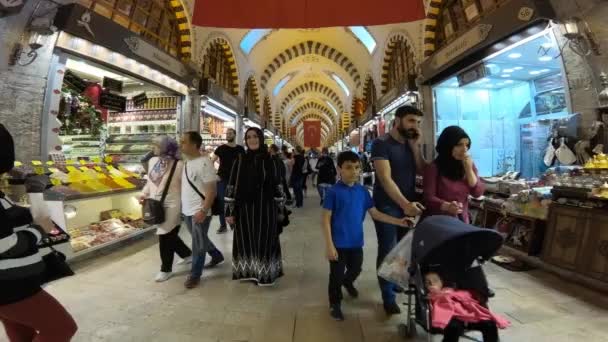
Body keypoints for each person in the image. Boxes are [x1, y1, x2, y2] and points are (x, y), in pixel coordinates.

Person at [0, 123, 78, 341]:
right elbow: (4, 244)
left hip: (10, 282)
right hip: (10, 285)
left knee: (20, 333)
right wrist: (38, 230)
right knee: (61, 327)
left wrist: (34, 192)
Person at [322, 151, 413, 321]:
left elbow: (376, 214)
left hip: (356, 242)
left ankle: (348, 281)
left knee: (356, 268)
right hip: (338, 244)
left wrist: (398, 221)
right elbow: (325, 219)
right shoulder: (333, 192)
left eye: (357, 167)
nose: (354, 172)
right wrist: (329, 245)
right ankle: (335, 303)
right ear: (339, 169)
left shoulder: (363, 192)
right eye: (348, 168)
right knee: (336, 276)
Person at [371, 105, 426, 315]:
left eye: (418, 122)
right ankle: (387, 296)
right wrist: (405, 205)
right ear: (398, 120)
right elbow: (385, 178)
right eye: (411, 121)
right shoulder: (381, 143)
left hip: (408, 206)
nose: (415, 126)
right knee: (388, 249)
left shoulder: (411, 144)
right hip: (387, 205)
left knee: (403, 249)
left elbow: (422, 170)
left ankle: (394, 281)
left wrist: (416, 147)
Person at [225, 127, 286, 286]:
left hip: (266, 209)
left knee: (264, 240)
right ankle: (248, 272)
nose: (252, 139)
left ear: (261, 138)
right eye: (249, 137)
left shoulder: (271, 160)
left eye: (255, 136)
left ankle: (264, 274)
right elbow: (231, 185)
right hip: (244, 209)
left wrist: (280, 210)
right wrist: (229, 211)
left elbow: (278, 185)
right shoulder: (240, 160)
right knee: (246, 240)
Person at [140, 136, 192, 282]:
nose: (153, 147)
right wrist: (144, 194)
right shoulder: (153, 161)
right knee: (170, 234)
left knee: (164, 234)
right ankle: (187, 254)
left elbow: (185, 187)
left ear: (166, 147)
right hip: (156, 203)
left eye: (156, 145)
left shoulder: (180, 164)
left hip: (173, 203)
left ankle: (166, 269)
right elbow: (150, 182)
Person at [180, 132, 225, 289]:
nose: (181, 144)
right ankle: (216, 255)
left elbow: (211, 191)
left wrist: (204, 210)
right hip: (187, 210)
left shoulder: (204, 163)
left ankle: (195, 275)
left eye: (184, 142)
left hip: (199, 211)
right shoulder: (187, 163)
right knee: (200, 238)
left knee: (198, 243)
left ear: (194, 145)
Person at [424, 126, 484, 224]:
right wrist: (447, 206)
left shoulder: (467, 164)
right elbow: (428, 198)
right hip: (439, 222)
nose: (464, 149)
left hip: (461, 221)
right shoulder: (433, 168)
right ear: (448, 146)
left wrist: (468, 170)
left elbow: (477, 193)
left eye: (467, 145)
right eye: (459, 145)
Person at [425, 272, 509, 342]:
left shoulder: (452, 290)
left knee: (490, 324)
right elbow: (439, 308)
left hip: (469, 315)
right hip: (452, 317)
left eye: (435, 281)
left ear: (441, 281)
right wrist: (438, 294)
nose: (432, 284)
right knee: (454, 328)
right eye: (428, 282)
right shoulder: (431, 296)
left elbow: (468, 297)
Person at [212, 128, 245, 234]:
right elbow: (210, 161)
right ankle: (223, 225)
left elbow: (245, 164)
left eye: (230, 133)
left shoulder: (240, 149)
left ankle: (234, 221)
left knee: (236, 201)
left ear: (234, 135)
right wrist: (214, 175)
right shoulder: (221, 148)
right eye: (227, 133)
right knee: (222, 201)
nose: (228, 135)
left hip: (237, 179)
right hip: (223, 179)